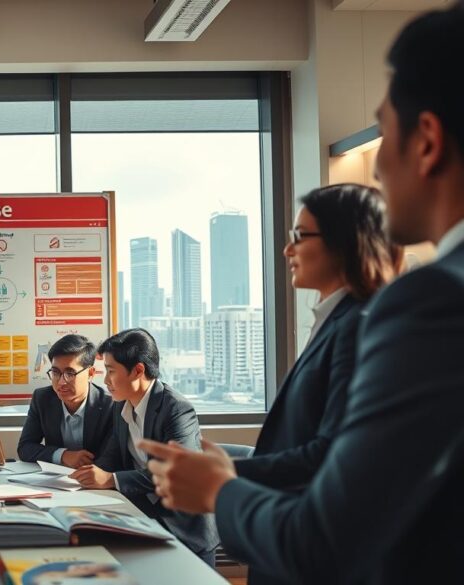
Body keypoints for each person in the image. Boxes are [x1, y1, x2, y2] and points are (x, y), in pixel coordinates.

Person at [142, 6, 464, 583]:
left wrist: (221, 489)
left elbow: (330, 532)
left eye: (386, 133)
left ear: (427, 141)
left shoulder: (428, 303)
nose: (379, 170)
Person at [234, 183, 400, 497]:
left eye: (299, 236)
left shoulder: (357, 325)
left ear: (345, 241)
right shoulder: (334, 319)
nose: (287, 249)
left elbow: (330, 452)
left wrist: (224, 474)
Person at [68, 329, 218, 565]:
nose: (105, 381)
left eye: (111, 371)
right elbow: (112, 456)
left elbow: (173, 472)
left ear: (138, 370)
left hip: (183, 530)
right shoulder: (121, 404)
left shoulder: (176, 409)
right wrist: (82, 480)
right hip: (143, 519)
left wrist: (110, 479)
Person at [17, 334, 115, 468]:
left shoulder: (110, 405)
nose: (61, 382)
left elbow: (112, 456)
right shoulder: (42, 398)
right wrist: (62, 455)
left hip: (97, 477)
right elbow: (25, 448)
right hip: (56, 477)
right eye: (55, 372)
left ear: (90, 373)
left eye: (70, 374)